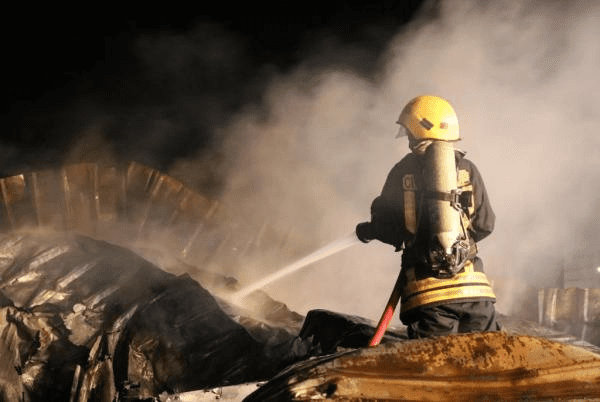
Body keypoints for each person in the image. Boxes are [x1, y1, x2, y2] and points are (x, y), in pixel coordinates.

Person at [356, 95, 500, 339]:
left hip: (429, 297)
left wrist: (368, 231)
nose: (408, 140)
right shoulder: (468, 170)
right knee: (486, 357)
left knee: (435, 363)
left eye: (409, 133)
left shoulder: (403, 172)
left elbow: (388, 228)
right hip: (476, 294)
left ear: (420, 131)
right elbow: (486, 224)